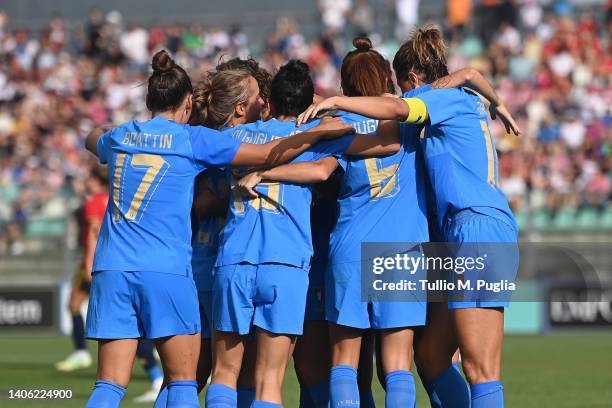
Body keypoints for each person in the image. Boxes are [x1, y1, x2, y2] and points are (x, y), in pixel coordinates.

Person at [83, 49, 355, 408]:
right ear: (186, 102)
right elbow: (267, 155)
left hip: (135, 265)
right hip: (189, 268)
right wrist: (315, 132)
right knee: (202, 379)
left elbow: (93, 138)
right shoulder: (201, 142)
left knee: (119, 383)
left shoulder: (124, 136)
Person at [296, 26, 521, 408]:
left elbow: (400, 109)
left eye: (402, 86)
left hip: (476, 226)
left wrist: (339, 101)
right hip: (456, 233)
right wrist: (490, 92)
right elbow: (468, 75)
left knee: (481, 369)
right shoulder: (460, 93)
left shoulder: (441, 99)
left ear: (413, 80)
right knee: (431, 358)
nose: (399, 94)